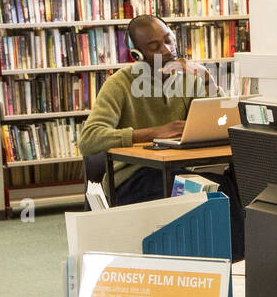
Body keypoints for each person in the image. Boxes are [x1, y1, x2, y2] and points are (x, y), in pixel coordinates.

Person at [77, 14, 225, 205]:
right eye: (154, 46)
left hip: (179, 172)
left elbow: (220, 122)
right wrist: (155, 133)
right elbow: (89, 139)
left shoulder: (190, 78)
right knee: (211, 195)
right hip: (132, 178)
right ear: (137, 54)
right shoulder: (119, 84)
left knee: (229, 187)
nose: (166, 49)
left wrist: (207, 81)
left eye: (168, 40)